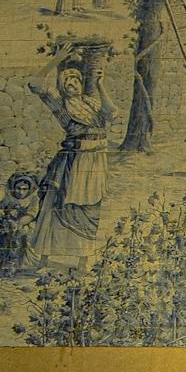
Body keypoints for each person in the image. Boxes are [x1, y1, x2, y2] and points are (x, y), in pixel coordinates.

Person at [26, 45, 113, 268]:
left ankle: (82, 259)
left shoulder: (91, 103)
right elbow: (35, 84)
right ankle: (45, 256)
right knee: (61, 206)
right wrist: (57, 60)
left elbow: (111, 113)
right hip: (74, 161)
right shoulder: (61, 104)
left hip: (97, 161)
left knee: (91, 209)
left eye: (75, 80)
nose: (72, 84)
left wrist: (101, 87)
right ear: (62, 86)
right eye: (67, 81)